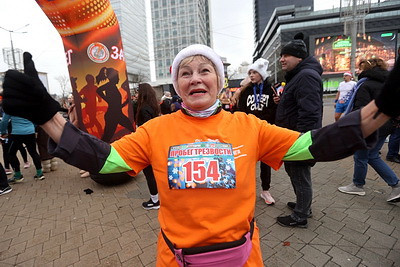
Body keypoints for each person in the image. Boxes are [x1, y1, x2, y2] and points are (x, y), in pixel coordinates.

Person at [2, 44, 399, 266]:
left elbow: (312, 144)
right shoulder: (156, 130)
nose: (195, 77)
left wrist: (382, 108)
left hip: (243, 258)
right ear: (176, 85)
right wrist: (48, 118)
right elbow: (105, 160)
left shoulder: (248, 127)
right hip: (177, 259)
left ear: (218, 80)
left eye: (204, 70)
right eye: (185, 72)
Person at [273, 35, 323, 227]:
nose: (282, 59)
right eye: (281, 55)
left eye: (286, 55)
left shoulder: (306, 76)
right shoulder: (299, 76)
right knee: (296, 173)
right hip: (293, 136)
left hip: (299, 138)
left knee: (300, 175)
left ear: (299, 58)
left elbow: (310, 113)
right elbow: (299, 103)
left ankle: (301, 215)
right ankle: (303, 205)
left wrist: (301, 140)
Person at [338, 58, 400, 202]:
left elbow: (362, 110)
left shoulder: (364, 85)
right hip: (386, 125)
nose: (358, 71)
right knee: (372, 156)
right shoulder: (387, 83)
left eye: (360, 68)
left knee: (361, 156)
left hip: (370, 126)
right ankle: (395, 185)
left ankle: (358, 185)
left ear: (366, 68)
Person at [234, 58, 277, 205]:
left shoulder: (270, 89)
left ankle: (265, 191)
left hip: (265, 131)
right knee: (246, 161)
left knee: (265, 162)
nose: (251, 75)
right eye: (249, 72)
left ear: (261, 74)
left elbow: (273, 109)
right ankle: (245, 190)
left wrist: (261, 123)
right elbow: (241, 110)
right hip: (248, 132)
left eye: (254, 72)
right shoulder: (246, 91)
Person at [135, 83, 161, 209]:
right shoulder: (153, 106)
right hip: (155, 142)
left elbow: (147, 127)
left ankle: (154, 200)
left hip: (147, 144)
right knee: (154, 173)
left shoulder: (144, 108)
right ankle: (157, 198)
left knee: (149, 173)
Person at [0, 113, 44, 183]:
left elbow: (4, 121)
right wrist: (34, 128)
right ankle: (40, 173)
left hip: (17, 133)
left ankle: (18, 176)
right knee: (33, 152)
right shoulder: (28, 104)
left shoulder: (9, 105)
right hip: (30, 132)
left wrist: (2, 132)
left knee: (11, 153)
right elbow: (36, 118)